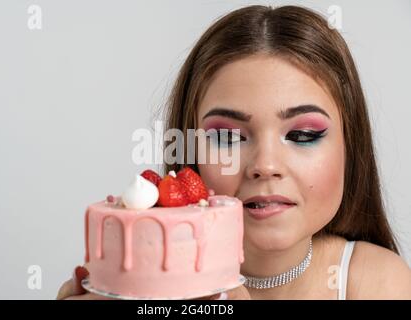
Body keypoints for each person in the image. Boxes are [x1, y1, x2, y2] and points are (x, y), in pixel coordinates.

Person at [57, 5, 411, 300]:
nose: (266, 166)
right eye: (228, 137)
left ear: (351, 146)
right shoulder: (147, 291)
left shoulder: (374, 283)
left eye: (302, 135)